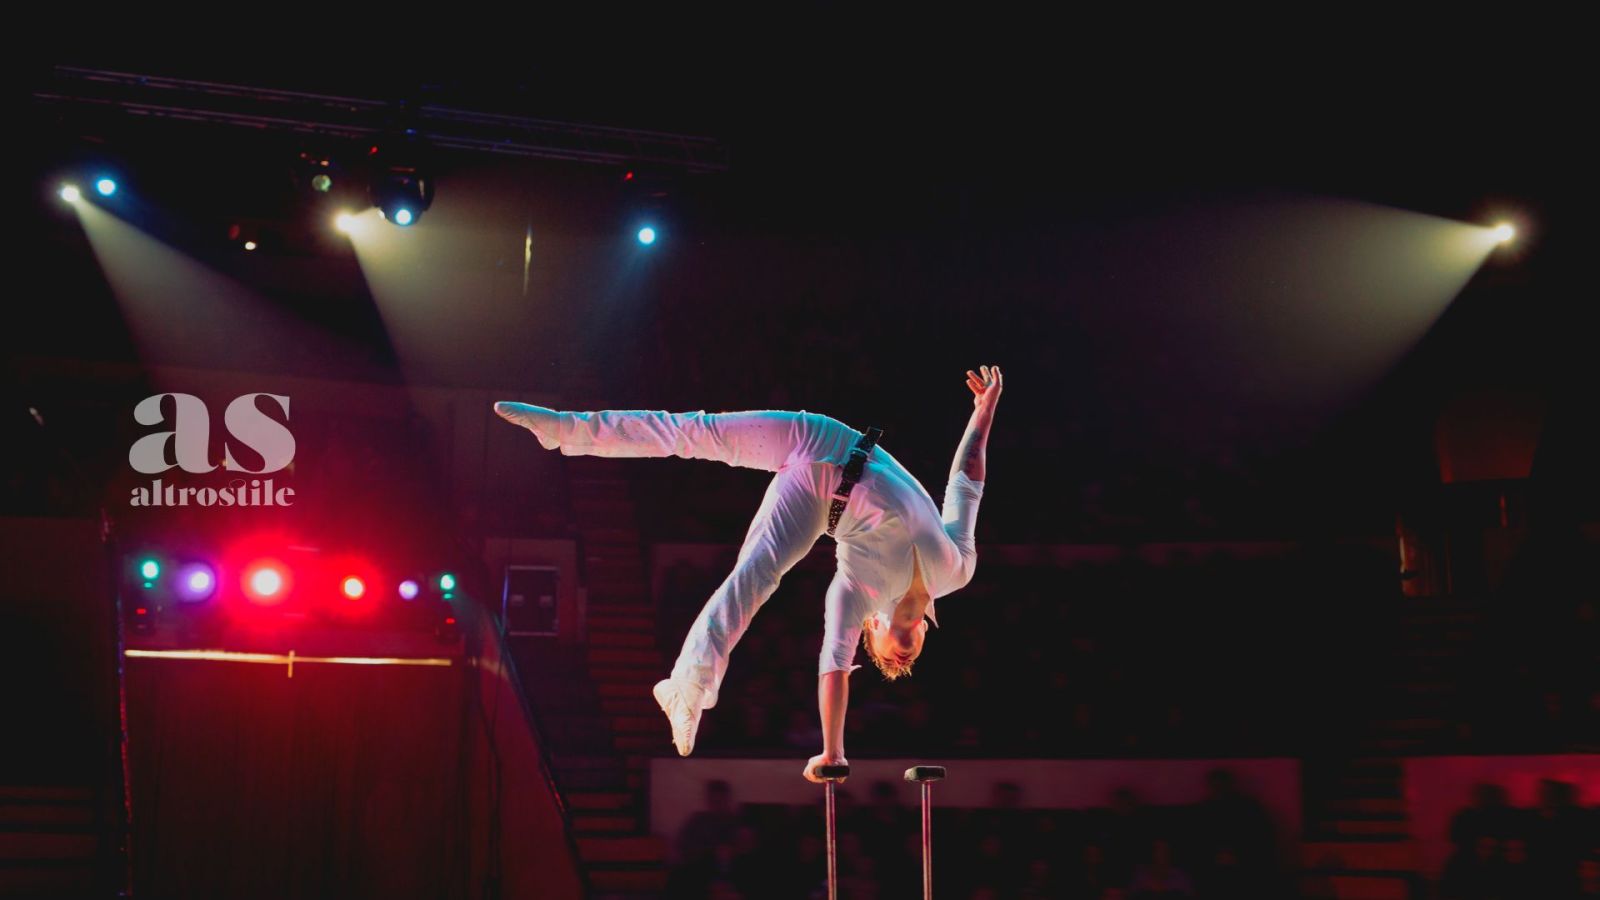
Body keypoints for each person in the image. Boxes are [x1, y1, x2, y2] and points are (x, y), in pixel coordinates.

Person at [494, 365, 1002, 781]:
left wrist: (832, 753)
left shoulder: (854, 592)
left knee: (754, 577)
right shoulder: (956, 570)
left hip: (814, 498)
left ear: (872, 625)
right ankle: (563, 428)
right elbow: (965, 485)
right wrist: (982, 415)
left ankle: (685, 689)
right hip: (823, 436)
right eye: (908, 655)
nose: (904, 653)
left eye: (891, 656)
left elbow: (834, 671)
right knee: (694, 430)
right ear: (923, 634)